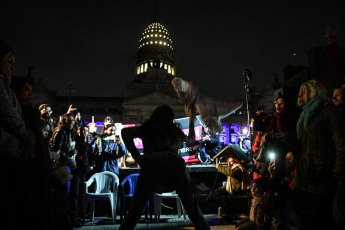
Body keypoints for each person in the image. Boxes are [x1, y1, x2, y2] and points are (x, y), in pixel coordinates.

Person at [119, 105, 210, 230]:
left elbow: (125, 132)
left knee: (135, 210)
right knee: (193, 209)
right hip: (175, 163)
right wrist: (191, 120)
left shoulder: (148, 129)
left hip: (153, 162)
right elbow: (191, 140)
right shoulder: (173, 130)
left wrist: (137, 156)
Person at [293, 79, 345, 229]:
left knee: (321, 218)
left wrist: (337, 171)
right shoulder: (306, 115)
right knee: (305, 216)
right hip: (306, 174)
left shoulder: (328, 111)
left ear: (313, 92)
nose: (300, 95)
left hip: (323, 176)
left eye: (304, 92)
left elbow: (340, 143)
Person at [68, 124, 95, 227]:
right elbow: (81, 151)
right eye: (82, 131)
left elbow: (90, 154)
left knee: (82, 194)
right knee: (75, 193)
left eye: (86, 131)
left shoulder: (87, 142)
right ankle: (74, 218)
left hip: (85, 170)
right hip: (76, 170)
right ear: (78, 131)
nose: (84, 133)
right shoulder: (76, 141)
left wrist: (92, 163)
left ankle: (81, 216)